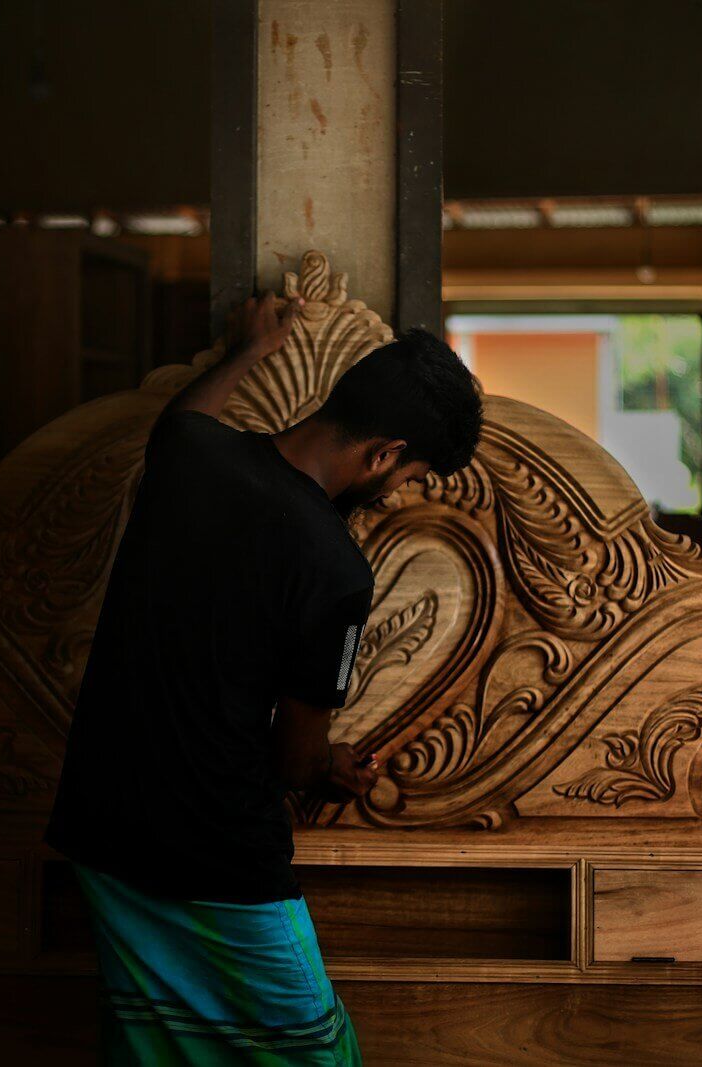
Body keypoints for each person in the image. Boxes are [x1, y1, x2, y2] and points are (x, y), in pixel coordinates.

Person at [46, 291, 484, 1065]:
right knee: (319, 1052)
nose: (396, 492)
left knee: (152, 1047)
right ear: (383, 452)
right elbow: (294, 762)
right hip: (215, 853)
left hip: (102, 827)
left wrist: (246, 351)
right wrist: (331, 766)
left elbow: (185, 415)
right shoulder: (336, 569)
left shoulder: (189, 454)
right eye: (407, 474)